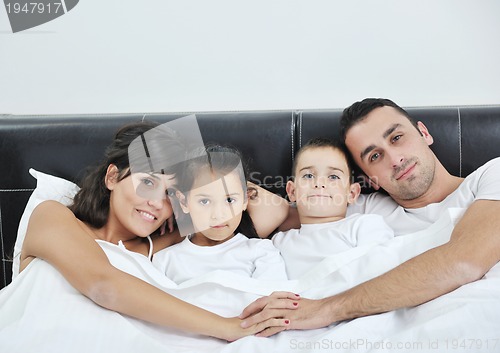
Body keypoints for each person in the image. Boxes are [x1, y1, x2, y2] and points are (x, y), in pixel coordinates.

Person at [239, 97, 500, 335]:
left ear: (424, 132)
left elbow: (466, 261)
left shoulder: (490, 176)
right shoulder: (363, 209)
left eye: (396, 137)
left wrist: (324, 309)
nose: (395, 159)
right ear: (368, 180)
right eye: (375, 156)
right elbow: (265, 210)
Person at [15, 120, 292, 342]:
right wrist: (226, 327)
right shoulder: (52, 215)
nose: (156, 203)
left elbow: (276, 209)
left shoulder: (156, 248)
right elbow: (104, 285)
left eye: (169, 192)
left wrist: (219, 187)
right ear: (112, 177)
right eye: (148, 182)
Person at [153, 145, 288, 283]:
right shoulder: (164, 261)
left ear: (245, 200)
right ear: (184, 202)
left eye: (230, 200)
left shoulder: (261, 252)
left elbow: (275, 299)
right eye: (204, 201)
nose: (218, 215)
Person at [272, 137, 394, 279]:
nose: (319, 183)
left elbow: (380, 272)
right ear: (292, 191)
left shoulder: (364, 226)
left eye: (333, 177)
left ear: (352, 193)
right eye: (309, 175)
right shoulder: (279, 242)